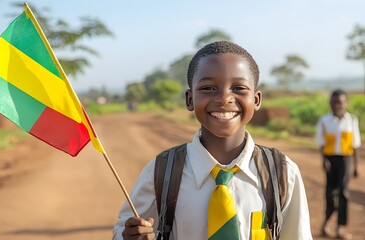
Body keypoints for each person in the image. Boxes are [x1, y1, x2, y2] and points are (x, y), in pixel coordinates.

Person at [113, 41, 312, 239]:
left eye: (239, 88)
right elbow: (123, 231)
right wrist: (129, 236)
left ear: (257, 99)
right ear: (190, 99)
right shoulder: (161, 173)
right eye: (208, 88)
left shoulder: (282, 173)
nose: (224, 98)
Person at [317, 89, 361, 239]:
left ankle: (341, 228)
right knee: (330, 194)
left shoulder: (352, 120)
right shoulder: (324, 121)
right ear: (330, 103)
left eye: (341, 102)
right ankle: (326, 224)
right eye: (335, 102)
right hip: (330, 160)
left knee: (343, 193)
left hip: (346, 160)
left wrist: (356, 166)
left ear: (346, 103)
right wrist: (324, 160)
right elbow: (321, 144)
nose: (338, 105)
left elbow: (355, 145)